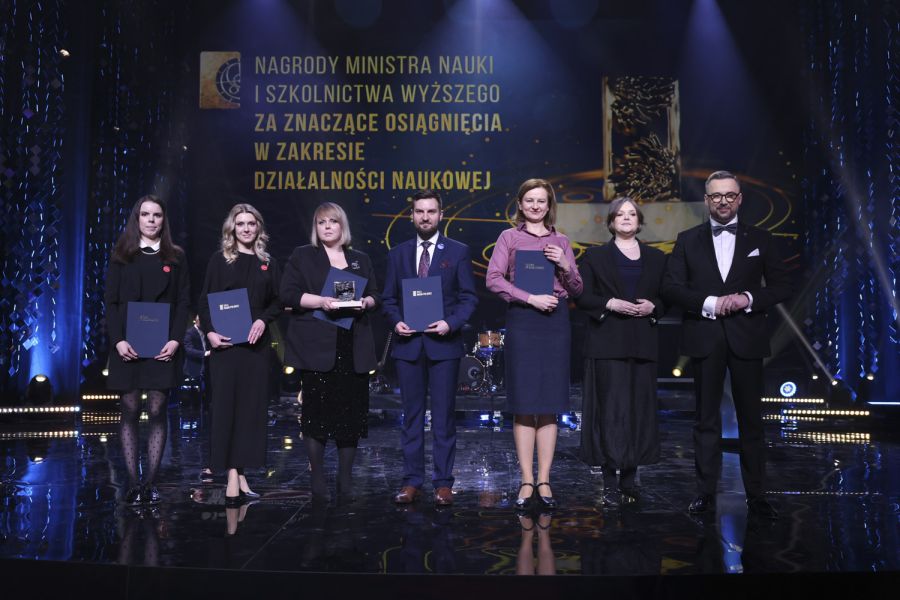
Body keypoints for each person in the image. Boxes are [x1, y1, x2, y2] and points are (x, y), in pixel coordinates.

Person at [661, 170, 792, 518]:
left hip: (747, 336)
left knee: (752, 420)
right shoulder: (687, 239)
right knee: (705, 420)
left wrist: (748, 297)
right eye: (716, 196)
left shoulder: (761, 238)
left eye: (729, 195)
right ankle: (705, 492)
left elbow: (782, 286)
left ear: (740, 198)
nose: (723, 201)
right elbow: (671, 288)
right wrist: (710, 303)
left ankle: (757, 493)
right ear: (706, 200)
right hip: (704, 337)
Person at [485, 178, 582, 511]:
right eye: (530, 200)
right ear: (520, 204)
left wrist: (566, 265)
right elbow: (493, 279)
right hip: (524, 322)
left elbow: (577, 289)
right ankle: (527, 479)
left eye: (542, 201)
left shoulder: (562, 241)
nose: (536, 206)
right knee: (525, 403)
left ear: (549, 204)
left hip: (555, 325)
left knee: (550, 403)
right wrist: (530, 298)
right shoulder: (508, 238)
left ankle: (545, 480)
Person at [382, 189, 478, 506]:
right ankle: (411, 482)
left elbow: (468, 298)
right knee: (411, 417)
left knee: (443, 417)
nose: (425, 217)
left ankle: (443, 483)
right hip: (408, 345)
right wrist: (396, 321)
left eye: (431, 211)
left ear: (441, 215)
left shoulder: (459, 251)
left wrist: (451, 323)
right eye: (419, 211)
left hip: (444, 345)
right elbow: (388, 299)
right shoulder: (398, 254)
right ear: (412, 215)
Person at [280, 202, 380, 499]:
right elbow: (288, 294)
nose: (327, 227)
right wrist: (320, 301)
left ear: (342, 226)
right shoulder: (303, 256)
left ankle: (345, 480)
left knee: (350, 416)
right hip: (317, 347)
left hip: (353, 346)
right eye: (321, 222)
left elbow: (376, 294)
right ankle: (318, 478)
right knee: (317, 415)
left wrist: (367, 303)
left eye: (332, 222)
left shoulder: (359, 259)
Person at [575, 197, 667, 504]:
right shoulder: (594, 256)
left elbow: (669, 295)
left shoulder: (656, 257)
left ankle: (631, 476)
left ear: (639, 222)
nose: (626, 218)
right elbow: (582, 295)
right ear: (611, 222)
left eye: (632, 214)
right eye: (620, 214)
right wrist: (608, 303)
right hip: (607, 341)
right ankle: (610, 478)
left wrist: (656, 307)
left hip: (643, 341)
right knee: (610, 412)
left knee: (638, 411)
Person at [104, 194, 189, 505]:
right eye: (146, 214)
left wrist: (176, 340)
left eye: (157, 215)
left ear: (163, 220)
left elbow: (183, 302)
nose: (152, 220)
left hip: (163, 345)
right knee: (129, 410)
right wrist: (118, 341)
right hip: (126, 344)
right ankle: (132, 481)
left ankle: (149, 483)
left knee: (156, 410)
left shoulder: (176, 257)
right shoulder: (121, 255)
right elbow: (111, 303)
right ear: (136, 219)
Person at [198, 203, 282, 506]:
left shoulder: (268, 263)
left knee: (250, 411)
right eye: (240, 224)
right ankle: (232, 474)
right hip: (224, 346)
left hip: (256, 347)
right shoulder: (219, 260)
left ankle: (241, 474)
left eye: (251, 223)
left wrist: (262, 320)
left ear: (258, 227)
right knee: (226, 409)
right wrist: (208, 333)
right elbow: (205, 302)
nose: (246, 228)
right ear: (231, 228)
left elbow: (278, 301)